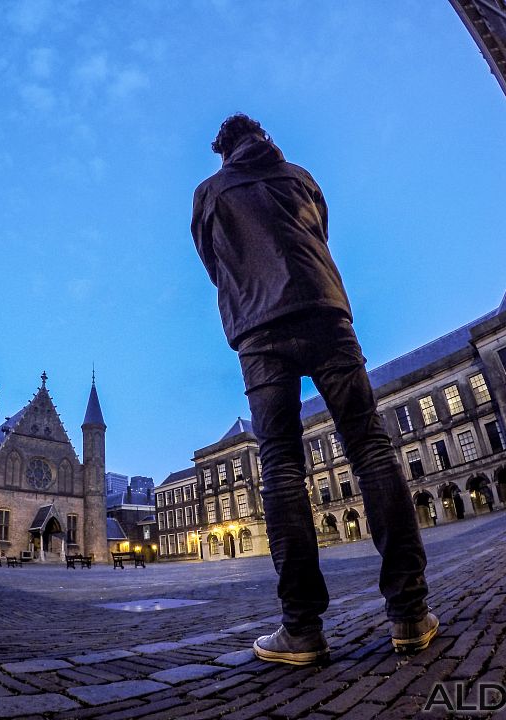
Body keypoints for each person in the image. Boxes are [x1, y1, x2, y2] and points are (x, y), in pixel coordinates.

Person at [191, 113, 437, 666]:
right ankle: (411, 613)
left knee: (280, 465)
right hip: (325, 313)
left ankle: (301, 628)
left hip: (259, 332)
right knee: (370, 448)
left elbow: (216, 265)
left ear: (222, 150)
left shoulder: (208, 194)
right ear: (264, 136)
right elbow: (319, 234)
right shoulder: (299, 177)